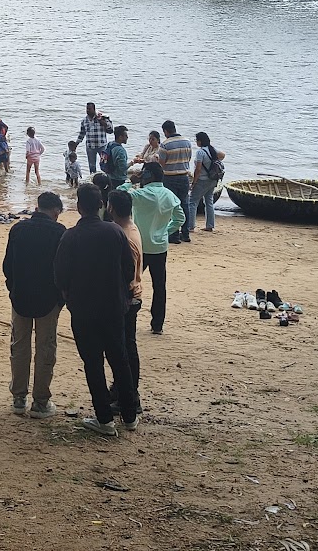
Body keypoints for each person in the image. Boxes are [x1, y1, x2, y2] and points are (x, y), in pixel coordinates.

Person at [53, 183, 139, 435]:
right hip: (114, 307)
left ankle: (104, 419)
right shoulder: (115, 232)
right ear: (101, 205)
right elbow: (128, 268)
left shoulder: (70, 236)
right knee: (119, 359)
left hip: (84, 310)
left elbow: (60, 275)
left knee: (93, 363)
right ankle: (130, 415)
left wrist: (69, 295)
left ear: (79, 207)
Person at [2, 191, 65, 417]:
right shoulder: (59, 232)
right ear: (56, 211)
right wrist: (61, 298)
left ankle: (19, 397)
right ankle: (40, 400)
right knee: (45, 347)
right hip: (48, 299)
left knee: (19, 346)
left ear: (37, 207)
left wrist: (13, 288)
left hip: (20, 296)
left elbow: (7, 265)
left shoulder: (18, 229)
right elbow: (62, 269)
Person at [121, 164, 182, 334]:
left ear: (147, 175)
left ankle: (124, 316)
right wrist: (164, 232)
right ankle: (157, 325)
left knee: (128, 281)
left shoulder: (140, 194)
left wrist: (130, 182)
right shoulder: (170, 195)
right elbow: (180, 219)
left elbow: (118, 196)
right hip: (160, 246)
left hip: (139, 245)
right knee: (159, 285)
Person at [104, 188, 145, 406]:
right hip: (130, 294)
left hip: (128, 297)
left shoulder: (125, 237)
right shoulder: (129, 228)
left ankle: (130, 395)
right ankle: (122, 389)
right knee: (124, 347)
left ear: (111, 208)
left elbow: (125, 272)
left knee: (125, 349)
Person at [155, 121, 195, 242]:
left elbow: (161, 163)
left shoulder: (165, 144)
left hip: (169, 177)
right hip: (184, 176)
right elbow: (188, 158)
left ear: (165, 131)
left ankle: (174, 235)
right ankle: (186, 233)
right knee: (184, 205)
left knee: (170, 206)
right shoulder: (187, 142)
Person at [191, 132, 224, 233]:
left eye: (196, 140)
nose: (196, 142)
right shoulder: (212, 150)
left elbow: (198, 169)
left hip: (202, 180)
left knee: (192, 202)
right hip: (212, 180)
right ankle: (210, 225)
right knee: (209, 201)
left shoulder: (200, 152)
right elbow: (223, 155)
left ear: (200, 141)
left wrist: (194, 182)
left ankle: (190, 226)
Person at [70, 101, 110, 176]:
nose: (88, 111)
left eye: (89, 109)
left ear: (94, 109)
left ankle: (107, 179)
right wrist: (76, 144)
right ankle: (93, 181)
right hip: (90, 147)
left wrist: (102, 121)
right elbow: (82, 134)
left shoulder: (103, 117)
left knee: (105, 164)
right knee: (92, 166)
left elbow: (110, 130)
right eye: (87, 109)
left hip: (102, 146)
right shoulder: (84, 121)